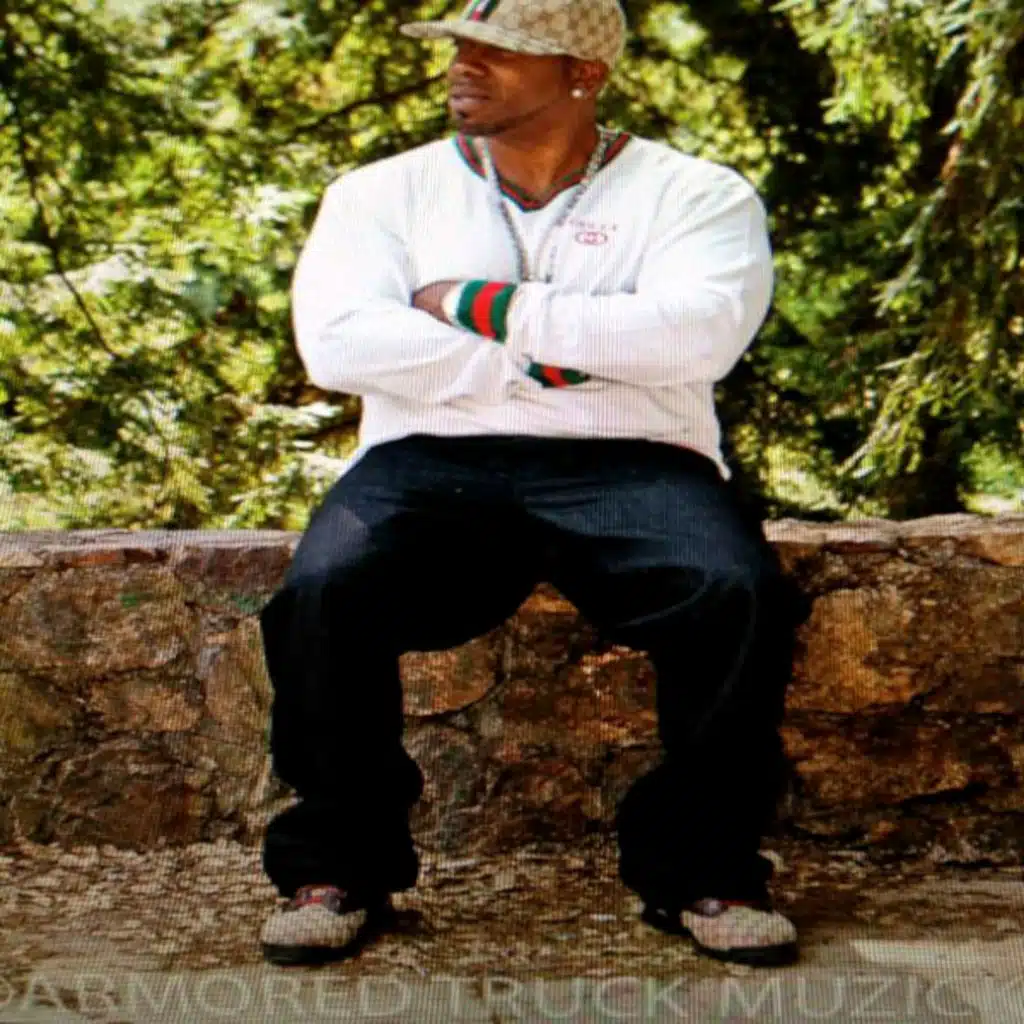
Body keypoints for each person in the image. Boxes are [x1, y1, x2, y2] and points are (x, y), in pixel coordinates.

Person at [258, 0, 803, 970]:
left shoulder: (695, 195)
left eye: (500, 53)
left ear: (582, 76)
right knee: (323, 592)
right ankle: (338, 867)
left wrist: (471, 307)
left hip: (633, 454)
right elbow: (338, 344)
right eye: (460, 48)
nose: (464, 66)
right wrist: (564, 356)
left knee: (735, 591)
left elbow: (695, 337)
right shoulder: (380, 193)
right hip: (434, 455)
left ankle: (705, 869)